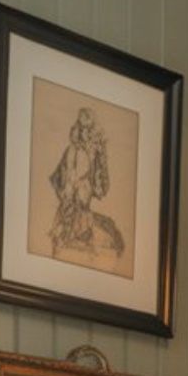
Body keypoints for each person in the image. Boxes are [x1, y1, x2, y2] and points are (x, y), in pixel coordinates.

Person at [49, 106, 125, 261]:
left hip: (82, 188)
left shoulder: (93, 152)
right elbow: (63, 172)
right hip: (70, 188)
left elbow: (96, 175)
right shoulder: (71, 150)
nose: (83, 132)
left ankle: (80, 233)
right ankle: (69, 232)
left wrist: (87, 178)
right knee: (69, 209)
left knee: (81, 209)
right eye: (81, 128)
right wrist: (70, 183)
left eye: (87, 129)